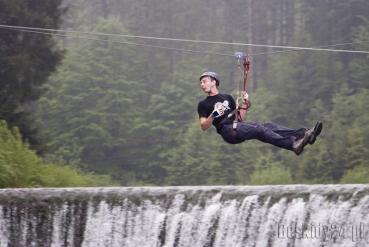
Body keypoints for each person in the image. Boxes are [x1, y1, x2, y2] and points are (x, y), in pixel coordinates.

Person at [197, 71, 322, 155]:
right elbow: (203, 126)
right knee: (259, 129)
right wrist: (213, 115)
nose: (202, 85)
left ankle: (304, 134)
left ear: (214, 82)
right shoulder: (203, 104)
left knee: (268, 126)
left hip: (236, 127)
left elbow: (239, 118)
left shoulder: (227, 97)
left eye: (205, 81)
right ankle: (293, 144)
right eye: (201, 83)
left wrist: (245, 103)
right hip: (227, 131)